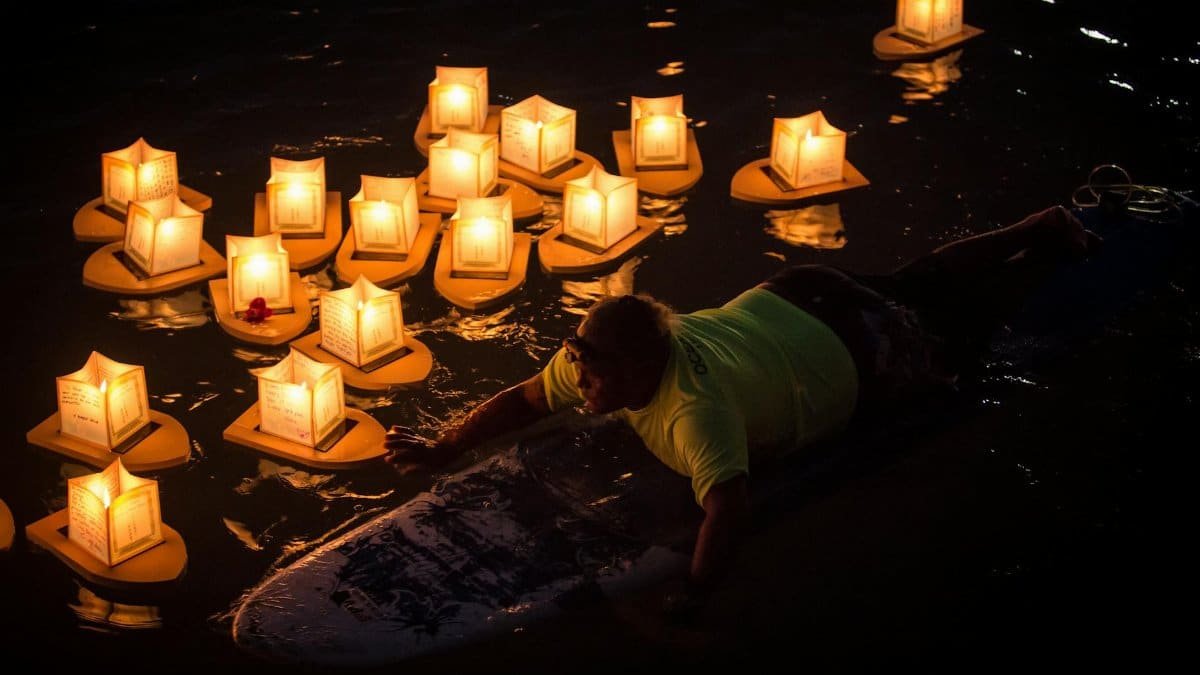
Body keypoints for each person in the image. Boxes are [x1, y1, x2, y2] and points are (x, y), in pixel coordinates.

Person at [384, 205, 1100, 620]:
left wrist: (693, 595)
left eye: (597, 376)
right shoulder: (594, 359)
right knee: (922, 277)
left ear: (641, 369)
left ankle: (1048, 256)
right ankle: (1039, 224)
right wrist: (445, 448)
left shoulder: (698, 414)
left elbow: (728, 511)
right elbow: (522, 400)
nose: (583, 385)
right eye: (581, 363)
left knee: (960, 337)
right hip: (799, 292)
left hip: (860, 348)